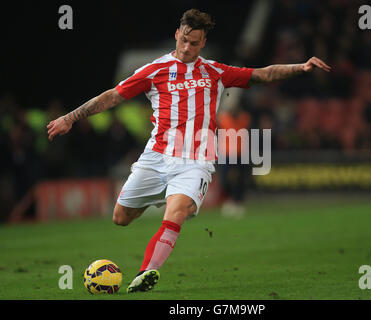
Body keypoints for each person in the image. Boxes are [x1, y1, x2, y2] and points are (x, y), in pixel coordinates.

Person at [46, 8, 331, 293]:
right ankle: (162, 196)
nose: (186, 47)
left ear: (203, 42)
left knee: (177, 210)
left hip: (196, 161)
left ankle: (148, 271)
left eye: (194, 43)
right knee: (120, 218)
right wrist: (70, 118)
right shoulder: (154, 70)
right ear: (176, 34)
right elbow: (112, 96)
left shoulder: (215, 72)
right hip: (156, 157)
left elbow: (261, 74)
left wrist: (300, 67)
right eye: (183, 40)